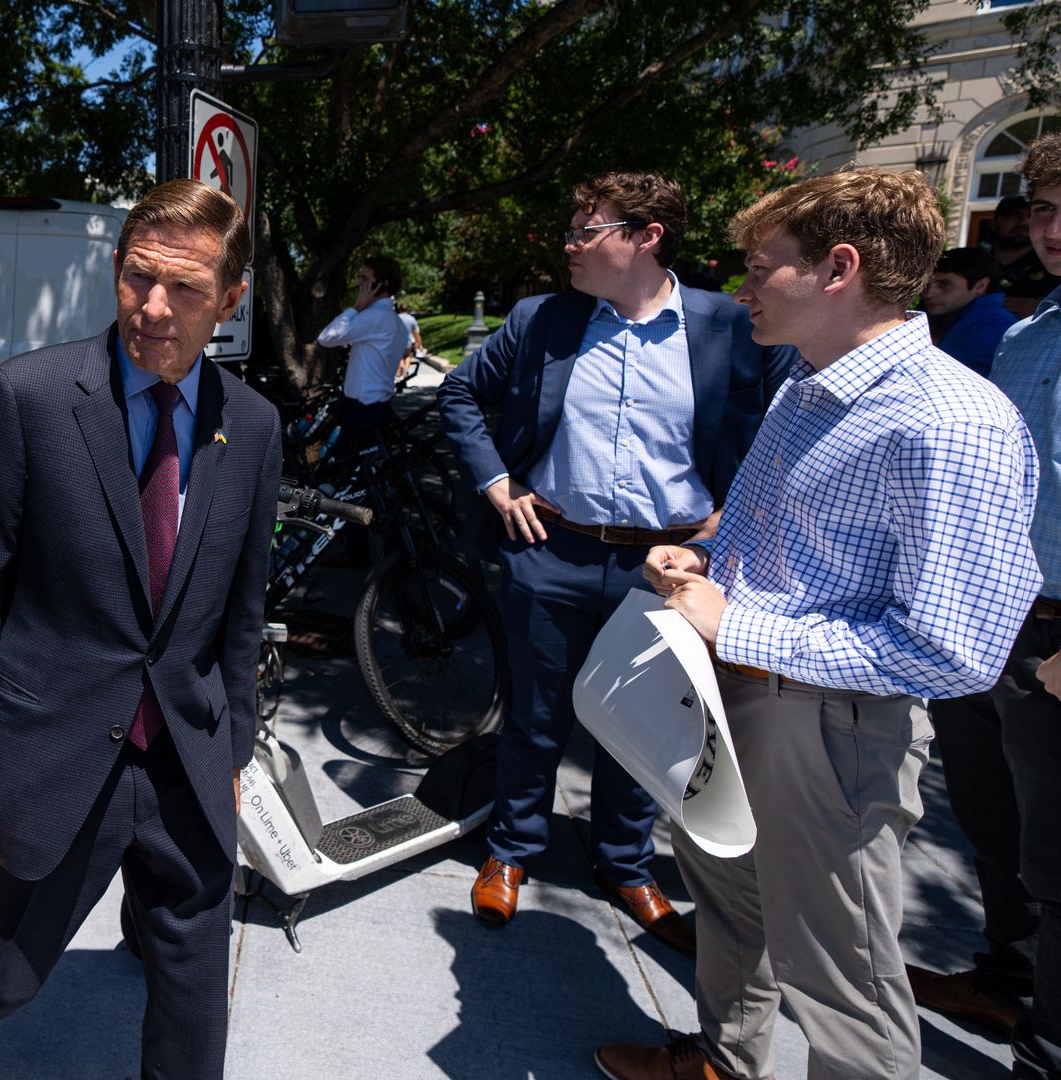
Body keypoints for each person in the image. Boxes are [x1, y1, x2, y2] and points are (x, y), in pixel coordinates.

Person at [602, 167, 1042, 1080]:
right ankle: (724, 1064)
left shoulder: (948, 419)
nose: (742, 287)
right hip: (742, 702)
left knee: (840, 978)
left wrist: (741, 630)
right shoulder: (807, 386)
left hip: (828, 727)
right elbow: (777, 539)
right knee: (732, 911)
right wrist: (705, 563)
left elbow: (957, 650)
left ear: (839, 269)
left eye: (763, 266)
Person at [0, 179, 281, 1080]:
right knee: (6, 972)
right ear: (114, 270)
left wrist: (235, 737)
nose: (153, 307)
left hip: (187, 753)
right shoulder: (26, 399)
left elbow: (241, 602)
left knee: (192, 992)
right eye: (138, 278)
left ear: (228, 300)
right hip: (58, 753)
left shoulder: (253, 427)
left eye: (185, 289)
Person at [437, 171, 794, 955]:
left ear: (645, 237)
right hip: (552, 551)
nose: (569, 243)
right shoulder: (544, 320)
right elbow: (461, 395)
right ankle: (511, 850)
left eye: (585, 229)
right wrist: (499, 484)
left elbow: (782, 432)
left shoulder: (729, 326)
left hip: (669, 568)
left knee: (641, 726)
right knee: (536, 718)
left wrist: (727, 524)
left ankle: (625, 865)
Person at [913, 133, 1061, 1077]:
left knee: (1057, 860)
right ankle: (1006, 982)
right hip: (997, 625)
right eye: (1040, 210)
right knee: (991, 820)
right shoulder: (1025, 333)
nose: (1048, 230)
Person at [316, 254, 408, 446]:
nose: (359, 284)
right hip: (379, 407)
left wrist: (356, 307)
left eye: (365, 278)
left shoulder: (374, 317)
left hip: (362, 411)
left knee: (346, 470)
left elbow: (327, 337)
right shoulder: (398, 323)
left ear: (382, 284)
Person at [922, 245, 1016, 375]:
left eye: (944, 285)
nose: (928, 294)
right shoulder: (974, 320)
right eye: (926, 285)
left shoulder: (988, 327)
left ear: (980, 286)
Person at [990, 194, 1052, 319]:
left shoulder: (1054, 265)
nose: (1023, 221)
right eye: (1012, 215)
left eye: (1032, 215)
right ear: (993, 224)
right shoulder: (973, 265)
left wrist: (1045, 308)